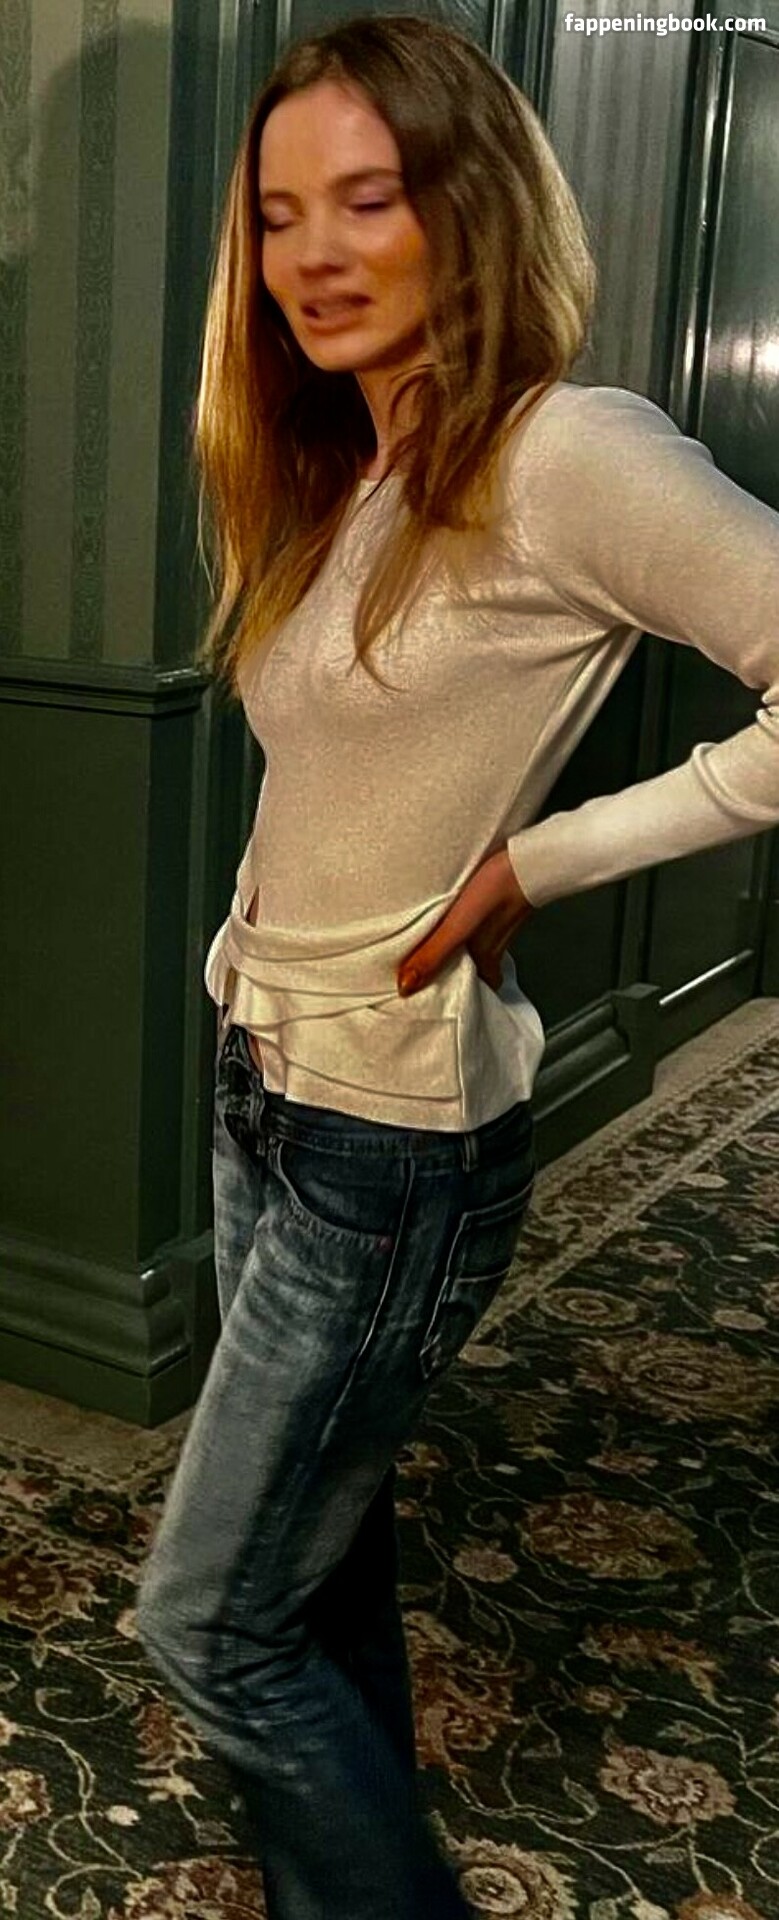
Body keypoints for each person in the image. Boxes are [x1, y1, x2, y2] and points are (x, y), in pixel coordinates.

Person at [136, 14, 779, 1919]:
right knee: (316, 1572)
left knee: (206, 1622)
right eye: (278, 215)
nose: (313, 254)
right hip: (271, 1078)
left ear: (470, 205)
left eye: (370, 198)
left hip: (388, 1138)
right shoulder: (356, 463)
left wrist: (546, 861)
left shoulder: (568, 450)